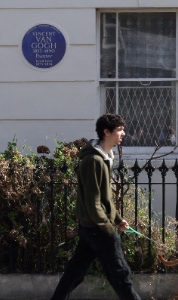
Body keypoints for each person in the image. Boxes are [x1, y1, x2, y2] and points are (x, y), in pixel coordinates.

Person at [50, 113, 141, 300]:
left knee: (75, 274)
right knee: (121, 274)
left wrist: (117, 219)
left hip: (91, 228)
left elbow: (105, 197)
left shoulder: (105, 157)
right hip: (97, 229)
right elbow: (94, 202)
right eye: (119, 130)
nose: (123, 133)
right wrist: (108, 228)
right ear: (106, 132)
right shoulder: (93, 161)